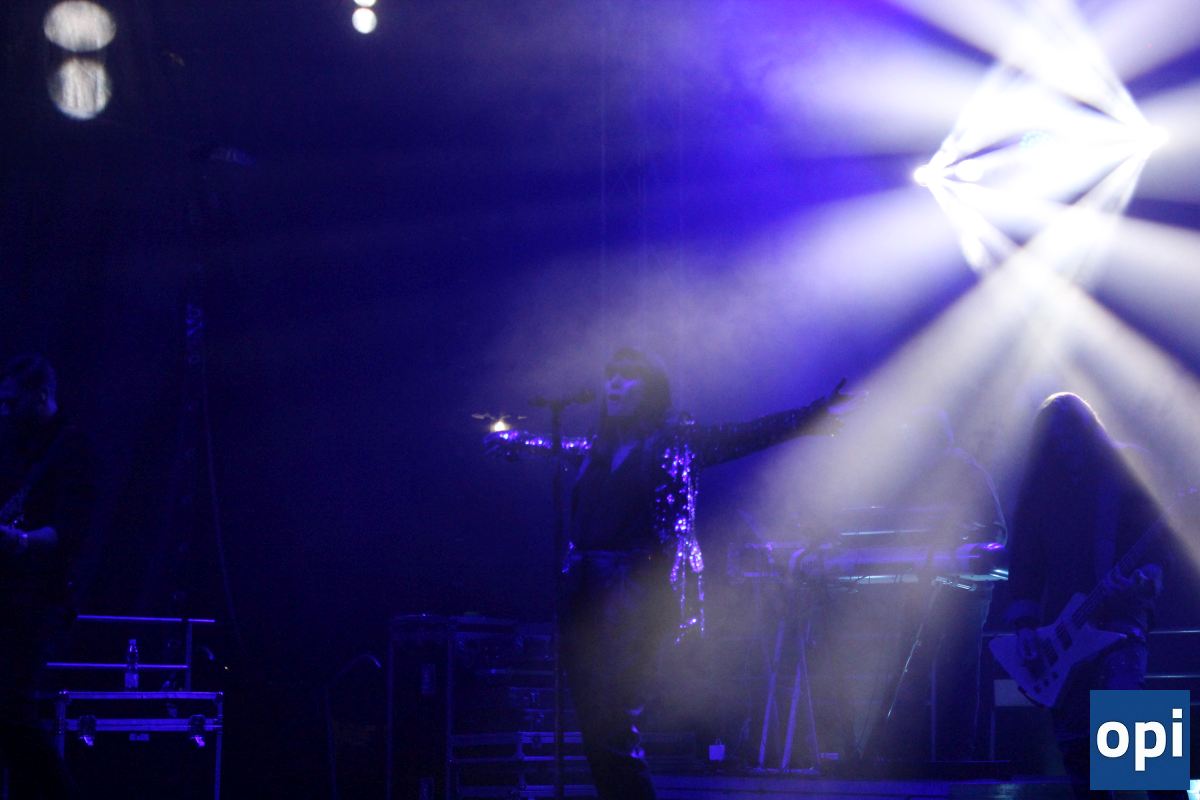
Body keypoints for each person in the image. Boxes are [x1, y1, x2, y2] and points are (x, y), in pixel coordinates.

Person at [488, 347, 852, 799]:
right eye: (610, 375)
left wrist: (814, 412)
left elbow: (747, 434)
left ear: (650, 389)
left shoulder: (677, 442)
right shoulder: (599, 450)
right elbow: (563, 446)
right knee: (593, 723)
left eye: (627, 376)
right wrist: (518, 441)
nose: (614, 384)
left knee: (614, 719)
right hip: (586, 593)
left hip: (638, 595)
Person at [1004, 393, 1182, 800]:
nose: (1066, 446)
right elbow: (1025, 562)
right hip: (1062, 629)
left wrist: (1144, 579)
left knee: (1129, 721)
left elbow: (1158, 546)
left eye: (1071, 435)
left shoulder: (1125, 470)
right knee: (1078, 745)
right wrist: (1026, 626)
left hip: (1120, 619)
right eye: (1056, 440)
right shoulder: (1039, 489)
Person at [0, 354, 94, 799]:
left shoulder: (73, 448)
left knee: (12, 712)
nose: (4, 411)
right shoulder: (12, 445)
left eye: (11, 402)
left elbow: (70, 530)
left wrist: (20, 541)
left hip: (38, 599)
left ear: (40, 397)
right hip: (7, 592)